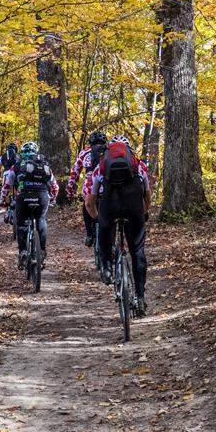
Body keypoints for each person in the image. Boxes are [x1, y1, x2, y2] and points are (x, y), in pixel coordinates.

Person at [83, 134, 152, 315]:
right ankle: (139, 298)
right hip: (134, 208)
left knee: (104, 232)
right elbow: (148, 195)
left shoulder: (100, 167)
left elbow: (89, 201)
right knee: (137, 251)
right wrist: (143, 213)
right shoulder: (140, 165)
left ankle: (106, 268)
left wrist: (98, 219)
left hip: (110, 206)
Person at [0, 141, 59, 270]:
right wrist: (52, 198)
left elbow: (6, 186)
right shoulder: (44, 165)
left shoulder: (16, 166)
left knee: (21, 224)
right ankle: (41, 251)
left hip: (23, 196)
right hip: (42, 196)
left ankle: (23, 253)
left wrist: (2, 200)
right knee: (41, 220)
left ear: (22, 154)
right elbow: (55, 186)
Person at [66, 131, 107, 247]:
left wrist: (70, 191)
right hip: (106, 187)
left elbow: (74, 174)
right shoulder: (109, 152)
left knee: (86, 204)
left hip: (89, 188)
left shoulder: (84, 153)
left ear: (90, 142)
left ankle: (89, 234)